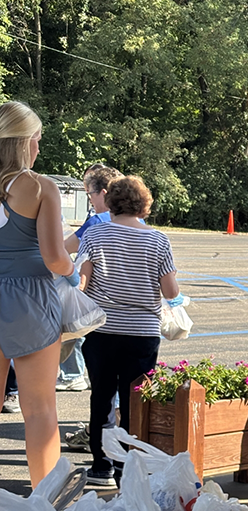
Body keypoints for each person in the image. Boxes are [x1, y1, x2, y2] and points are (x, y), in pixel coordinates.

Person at [78, 175, 180, 486]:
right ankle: (129, 465)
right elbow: (171, 290)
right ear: (144, 205)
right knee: (135, 401)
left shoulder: (95, 236)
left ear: (110, 202)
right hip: (142, 333)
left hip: (102, 330)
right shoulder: (158, 240)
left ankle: (101, 464)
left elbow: (80, 284)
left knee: (102, 397)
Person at [0, 101, 77, 487]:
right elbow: (54, 256)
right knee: (41, 409)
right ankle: (43, 495)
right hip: (29, 299)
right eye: (38, 140)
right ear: (27, 142)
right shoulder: (39, 186)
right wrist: (72, 272)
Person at [58, 167, 125, 393]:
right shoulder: (140, 224)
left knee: (74, 327)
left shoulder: (97, 222)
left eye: (90, 195)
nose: (90, 200)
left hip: (103, 305)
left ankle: (72, 374)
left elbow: (67, 248)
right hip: (133, 314)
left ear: (103, 193)